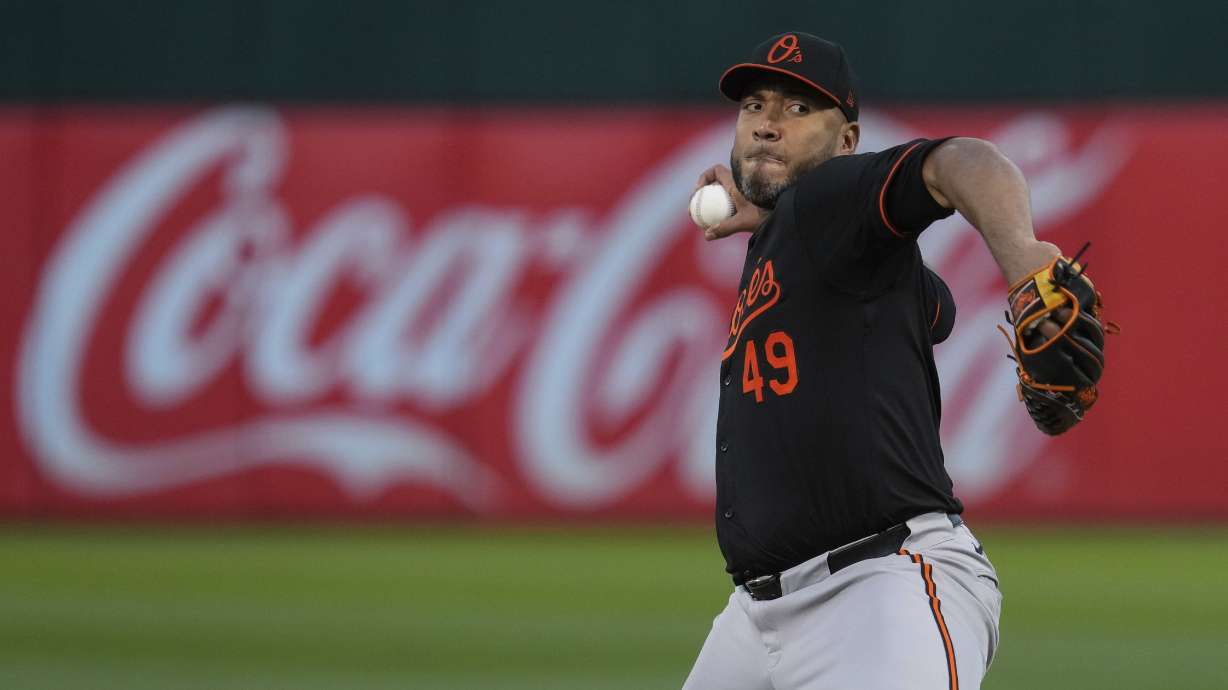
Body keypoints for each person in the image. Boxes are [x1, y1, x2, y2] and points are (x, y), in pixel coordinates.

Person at [682, 31, 1072, 690]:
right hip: (756, 617)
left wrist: (1024, 262)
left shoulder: (831, 196)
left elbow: (963, 162)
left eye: (800, 109)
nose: (769, 125)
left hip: (879, 591)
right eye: (755, 105)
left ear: (847, 142)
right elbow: (936, 311)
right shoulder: (810, 234)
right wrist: (777, 226)